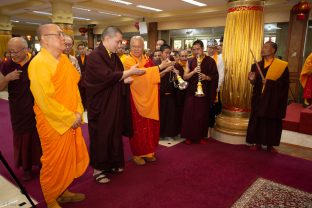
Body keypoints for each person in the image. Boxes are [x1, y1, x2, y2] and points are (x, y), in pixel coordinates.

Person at [28, 24, 89, 208]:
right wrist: (69, 118)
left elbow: (73, 88)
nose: (64, 38)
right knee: (53, 162)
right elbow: (45, 100)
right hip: (54, 123)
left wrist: (78, 110)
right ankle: (51, 197)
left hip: (72, 117)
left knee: (68, 158)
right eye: (59, 35)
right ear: (44, 39)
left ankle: (63, 191)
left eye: (63, 34)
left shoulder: (64, 60)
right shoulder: (38, 64)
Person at [84, 26, 145, 183]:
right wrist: (129, 73)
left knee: (114, 133)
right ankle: (98, 169)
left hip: (113, 102)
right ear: (107, 39)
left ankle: (112, 163)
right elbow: (106, 77)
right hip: (100, 104)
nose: (120, 45)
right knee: (101, 136)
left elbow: (114, 78)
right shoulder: (95, 56)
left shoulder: (113, 56)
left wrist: (124, 80)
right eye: (118, 42)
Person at [122, 36, 172, 165]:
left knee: (149, 125)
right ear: (130, 47)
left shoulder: (148, 60)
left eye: (139, 46)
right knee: (137, 127)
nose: (136, 49)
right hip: (134, 98)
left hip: (149, 98)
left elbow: (151, 76)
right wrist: (159, 67)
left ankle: (149, 152)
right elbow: (139, 74)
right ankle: (137, 154)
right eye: (134, 46)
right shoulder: (126, 60)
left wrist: (163, 70)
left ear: (143, 47)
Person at [0, 37, 42, 181]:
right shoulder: (6, 65)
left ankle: (42, 162)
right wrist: (7, 79)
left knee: (39, 135)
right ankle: (26, 167)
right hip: (18, 107)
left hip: (38, 106)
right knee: (22, 136)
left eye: (16, 51)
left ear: (26, 50)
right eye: (10, 52)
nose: (13, 55)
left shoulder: (36, 62)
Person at [246, 41, 289, 152]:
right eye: (262, 47)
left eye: (265, 47)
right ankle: (257, 142)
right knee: (257, 120)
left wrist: (269, 83)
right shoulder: (256, 65)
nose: (262, 49)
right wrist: (252, 80)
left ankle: (270, 144)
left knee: (271, 121)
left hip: (273, 99)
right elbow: (253, 83)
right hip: (259, 98)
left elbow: (285, 84)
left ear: (273, 50)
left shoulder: (282, 66)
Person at [181, 40, 219, 144]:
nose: (196, 51)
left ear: (203, 49)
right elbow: (185, 76)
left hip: (204, 92)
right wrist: (193, 72)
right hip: (192, 91)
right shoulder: (190, 60)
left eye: (198, 49)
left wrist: (206, 77)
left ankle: (200, 136)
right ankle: (188, 136)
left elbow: (215, 76)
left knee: (201, 114)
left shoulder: (210, 61)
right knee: (189, 113)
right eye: (194, 49)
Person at [159, 44, 181, 140]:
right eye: (166, 53)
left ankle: (169, 134)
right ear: (161, 53)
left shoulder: (173, 63)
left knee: (170, 115)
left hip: (171, 94)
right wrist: (166, 70)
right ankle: (159, 134)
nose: (168, 55)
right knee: (160, 115)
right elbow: (155, 76)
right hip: (160, 94)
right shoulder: (156, 64)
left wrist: (177, 75)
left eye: (169, 53)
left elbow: (175, 80)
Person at [206, 39, 224, 138]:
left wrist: (217, 87)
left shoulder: (220, 59)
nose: (211, 50)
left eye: (213, 48)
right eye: (209, 48)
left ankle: (210, 130)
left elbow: (221, 74)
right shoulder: (204, 57)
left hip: (214, 88)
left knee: (212, 110)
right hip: (205, 87)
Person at [76, 43, 87, 109]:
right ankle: (82, 106)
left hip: (87, 79)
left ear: (85, 49)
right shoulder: (76, 59)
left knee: (87, 93)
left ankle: (87, 106)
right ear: (78, 50)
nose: (82, 50)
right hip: (79, 79)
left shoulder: (89, 58)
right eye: (80, 49)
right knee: (80, 93)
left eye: (83, 48)